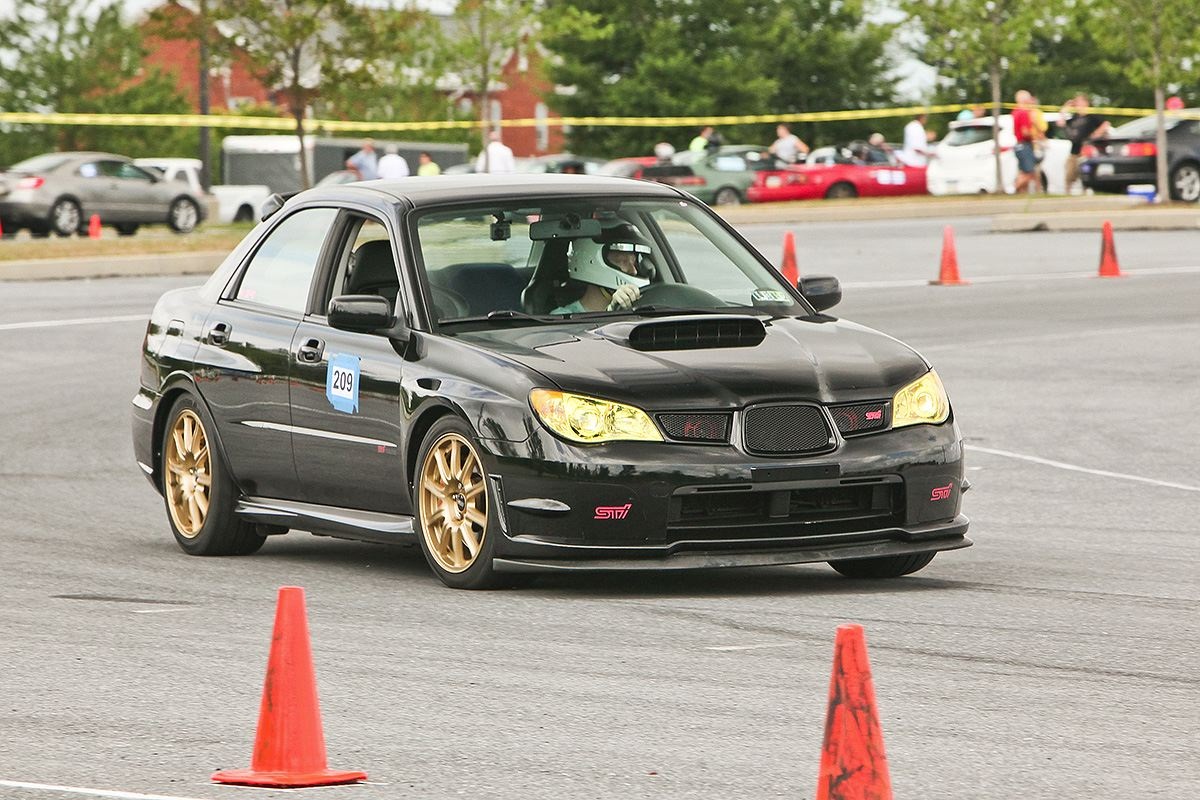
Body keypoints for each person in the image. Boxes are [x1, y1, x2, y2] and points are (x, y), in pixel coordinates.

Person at [551, 225, 655, 315]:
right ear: (591, 262)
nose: (634, 271)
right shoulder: (562, 316)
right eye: (622, 261)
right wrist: (611, 312)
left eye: (633, 262)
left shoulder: (639, 310)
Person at [1059, 94, 1109, 194]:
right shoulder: (1075, 117)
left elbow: (1106, 124)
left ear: (1086, 103)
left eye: (1079, 102)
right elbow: (1061, 123)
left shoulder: (1092, 115)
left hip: (1086, 151)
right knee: (1070, 173)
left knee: (1085, 174)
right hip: (1075, 150)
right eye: (1076, 102)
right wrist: (1065, 109)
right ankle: (1067, 193)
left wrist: (1095, 134)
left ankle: (1085, 192)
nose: (1077, 105)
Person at [1012, 90, 1041, 194]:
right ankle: (1015, 189)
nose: (1030, 101)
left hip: (1018, 145)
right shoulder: (1023, 113)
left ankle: (1021, 193)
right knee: (1030, 173)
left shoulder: (1015, 111)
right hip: (1025, 145)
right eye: (1029, 98)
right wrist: (1034, 136)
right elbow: (1025, 132)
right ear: (1024, 100)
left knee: (1023, 172)